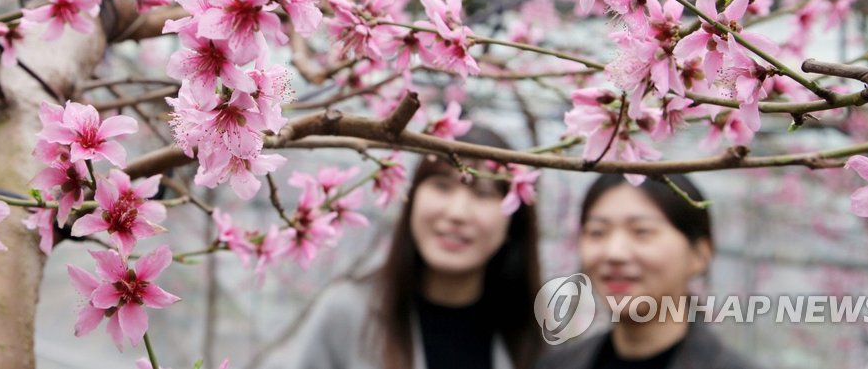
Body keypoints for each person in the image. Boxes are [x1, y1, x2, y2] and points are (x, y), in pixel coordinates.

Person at [268, 125, 545, 369]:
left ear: (514, 221)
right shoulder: (347, 314)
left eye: (483, 193)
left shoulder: (542, 338)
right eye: (441, 185)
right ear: (411, 201)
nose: (457, 213)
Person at [537, 174, 761, 369]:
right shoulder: (557, 364)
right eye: (597, 232)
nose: (614, 253)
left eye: (642, 232)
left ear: (699, 254)